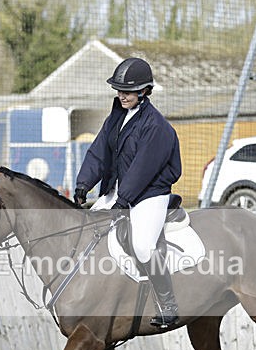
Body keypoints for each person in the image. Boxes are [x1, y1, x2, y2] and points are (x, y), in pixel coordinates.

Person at [73, 57, 182, 328]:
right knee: (85, 230)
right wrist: (83, 184)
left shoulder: (156, 126)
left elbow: (143, 168)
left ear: (144, 91)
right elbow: (99, 151)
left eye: (128, 91)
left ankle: (168, 304)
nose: (122, 95)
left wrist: (122, 202)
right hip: (119, 190)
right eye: (119, 90)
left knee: (143, 246)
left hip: (150, 193)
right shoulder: (117, 117)